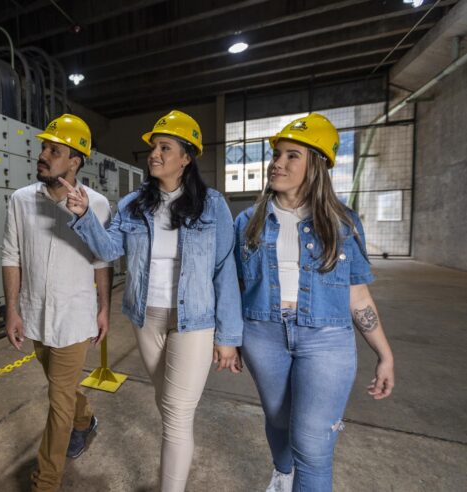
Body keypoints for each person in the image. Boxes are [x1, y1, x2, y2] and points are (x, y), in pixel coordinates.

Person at [60, 110, 243, 492]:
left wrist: (229, 336)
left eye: (165, 147)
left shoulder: (213, 206)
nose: (154, 155)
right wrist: (84, 217)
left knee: (176, 414)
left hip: (194, 321)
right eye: (153, 148)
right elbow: (110, 250)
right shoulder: (133, 204)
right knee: (168, 405)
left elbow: (225, 270)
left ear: (187, 157)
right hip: (146, 318)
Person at [234, 113, 395, 492]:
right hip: (262, 334)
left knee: (312, 445)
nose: (278, 163)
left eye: (292, 156)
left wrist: (384, 354)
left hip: (327, 338)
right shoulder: (247, 220)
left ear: (317, 166)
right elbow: (234, 286)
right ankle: (282, 473)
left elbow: (358, 294)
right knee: (277, 420)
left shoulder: (344, 224)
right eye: (277, 154)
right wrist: (227, 336)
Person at [0, 114, 113, 492]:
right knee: (62, 389)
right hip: (35, 316)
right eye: (44, 147)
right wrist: (12, 310)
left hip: (75, 318)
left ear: (76, 160)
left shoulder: (96, 204)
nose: (43, 155)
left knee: (58, 401)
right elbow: (11, 256)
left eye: (55, 150)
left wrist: (103, 309)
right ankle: (87, 420)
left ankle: (46, 482)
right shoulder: (20, 200)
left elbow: (102, 260)